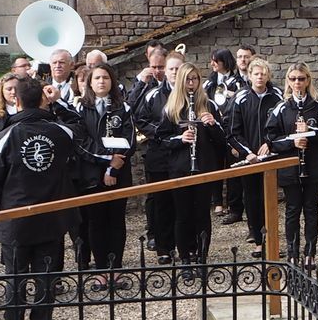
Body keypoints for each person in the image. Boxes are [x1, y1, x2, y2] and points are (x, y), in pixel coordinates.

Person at [0, 76, 76, 320]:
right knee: (46, 277)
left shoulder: (3, 137)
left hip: (16, 221)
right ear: (44, 99)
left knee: (15, 278)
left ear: (16, 101)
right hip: (52, 219)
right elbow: (81, 153)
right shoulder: (62, 132)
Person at [155, 62, 227, 266]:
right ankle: (185, 255)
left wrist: (212, 125)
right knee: (183, 214)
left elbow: (222, 141)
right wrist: (180, 139)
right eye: (187, 79)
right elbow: (161, 140)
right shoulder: (172, 108)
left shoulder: (209, 105)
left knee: (202, 213)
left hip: (204, 166)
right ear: (181, 81)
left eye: (195, 79)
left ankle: (201, 255)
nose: (191, 83)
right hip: (180, 169)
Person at [265, 62, 318, 267]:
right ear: (288, 81)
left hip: (312, 166)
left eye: (301, 79)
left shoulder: (317, 105)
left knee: (312, 209)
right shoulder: (282, 107)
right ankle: (292, 252)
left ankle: (310, 252)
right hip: (290, 168)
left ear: (308, 80)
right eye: (294, 79)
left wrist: (310, 134)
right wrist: (292, 141)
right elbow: (271, 139)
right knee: (292, 210)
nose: (298, 82)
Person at [75, 63, 135, 276]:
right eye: (97, 78)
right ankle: (101, 269)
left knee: (116, 220)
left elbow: (129, 140)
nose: (102, 81)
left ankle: (115, 268)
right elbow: (81, 143)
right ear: (90, 83)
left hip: (119, 174)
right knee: (96, 221)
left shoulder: (123, 108)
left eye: (106, 78)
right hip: (92, 176)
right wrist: (107, 161)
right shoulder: (81, 108)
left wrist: (114, 169)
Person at [228, 57, 283, 256]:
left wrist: (270, 142)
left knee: (269, 199)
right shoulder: (241, 98)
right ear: (250, 75)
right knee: (252, 199)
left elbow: (282, 125)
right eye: (256, 73)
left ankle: (273, 241)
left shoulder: (277, 95)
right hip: (249, 158)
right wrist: (247, 152)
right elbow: (233, 131)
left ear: (268, 75)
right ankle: (258, 241)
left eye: (263, 73)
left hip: (271, 157)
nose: (260, 77)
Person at [134, 51, 184, 262]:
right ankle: (164, 248)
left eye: (177, 68)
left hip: (182, 157)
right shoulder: (152, 95)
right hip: (159, 156)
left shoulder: (191, 94)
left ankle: (185, 248)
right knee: (162, 204)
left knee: (182, 205)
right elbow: (140, 119)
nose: (173, 72)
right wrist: (163, 134)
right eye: (169, 68)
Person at [204, 48, 243, 222]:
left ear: (224, 62)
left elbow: (243, 99)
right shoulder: (209, 82)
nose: (212, 64)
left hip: (231, 128)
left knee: (233, 168)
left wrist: (231, 95)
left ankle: (234, 207)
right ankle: (217, 201)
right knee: (215, 164)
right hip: (213, 129)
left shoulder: (237, 81)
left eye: (215, 60)